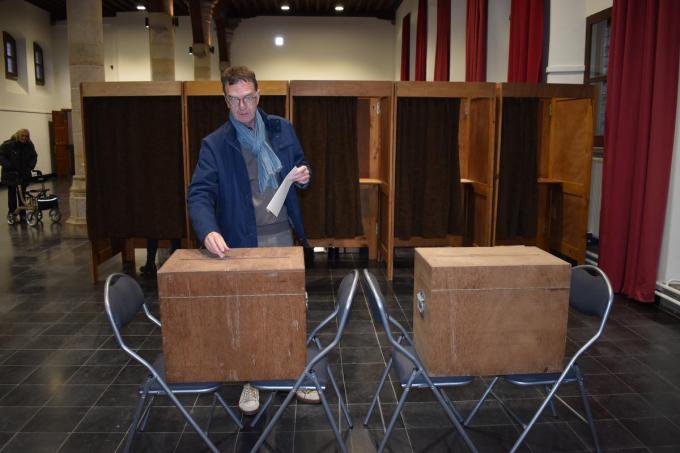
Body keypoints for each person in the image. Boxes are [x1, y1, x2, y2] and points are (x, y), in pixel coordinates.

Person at [187, 66, 316, 415]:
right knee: (250, 313)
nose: (243, 106)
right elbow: (199, 193)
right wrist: (208, 229)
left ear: (258, 96)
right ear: (225, 100)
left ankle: (297, 374)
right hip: (243, 243)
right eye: (234, 99)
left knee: (291, 309)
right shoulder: (215, 144)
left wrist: (303, 176)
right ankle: (251, 379)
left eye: (248, 97)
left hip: (284, 238)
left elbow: (301, 167)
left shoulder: (281, 129)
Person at [1, 129, 37, 224]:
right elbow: (1, 156)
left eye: (26, 136)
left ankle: (23, 214)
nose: (24, 138)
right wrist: (8, 165)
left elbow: (34, 156)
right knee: (12, 194)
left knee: (22, 194)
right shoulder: (8, 144)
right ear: (18, 135)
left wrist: (30, 166)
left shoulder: (29, 145)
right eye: (22, 136)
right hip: (11, 174)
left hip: (23, 173)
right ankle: (12, 214)